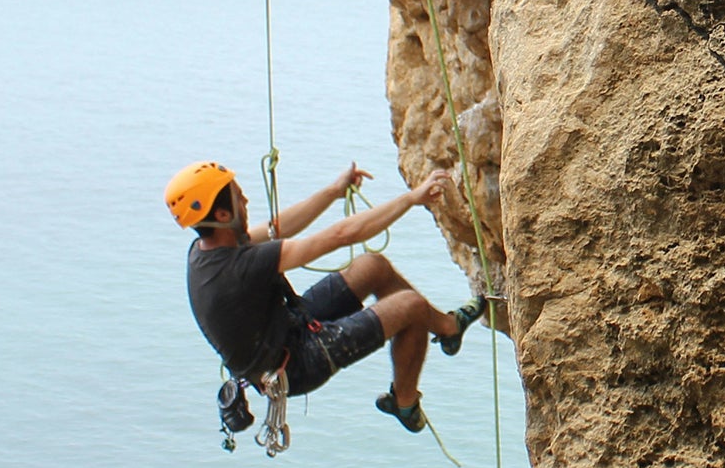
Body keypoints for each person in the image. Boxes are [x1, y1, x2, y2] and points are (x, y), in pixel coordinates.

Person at [165, 159, 486, 433]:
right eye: (238, 196)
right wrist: (411, 199)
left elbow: (278, 227)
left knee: (371, 266)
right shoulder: (239, 266)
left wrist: (333, 191)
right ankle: (404, 401)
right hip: (293, 365)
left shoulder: (208, 249)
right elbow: (340, 235)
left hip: (289, 328)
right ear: (222, 216)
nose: (246, 200)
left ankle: (448, 329)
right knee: (410, 307)